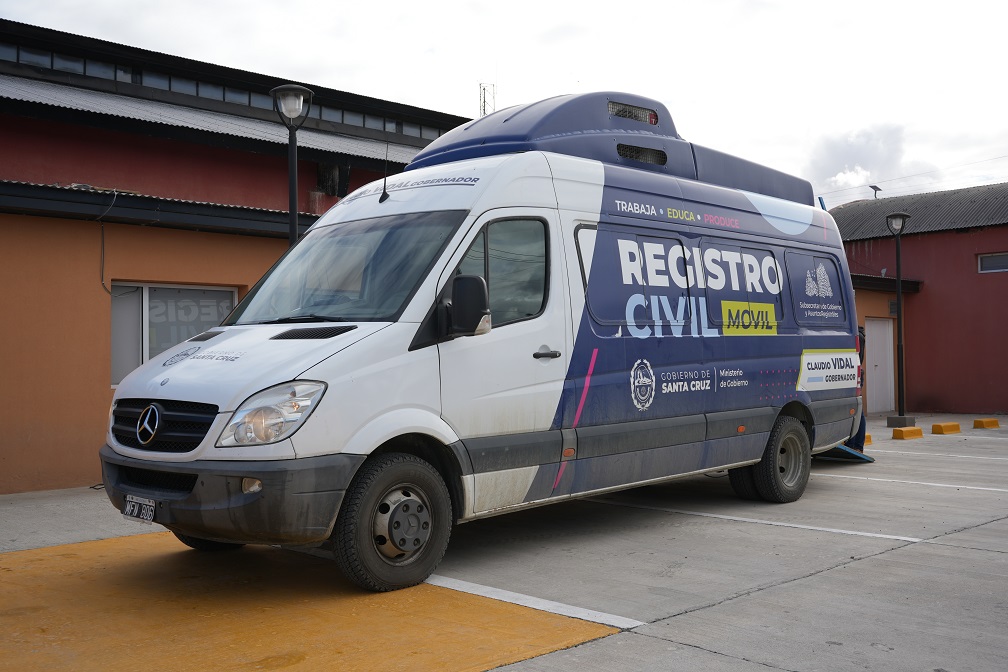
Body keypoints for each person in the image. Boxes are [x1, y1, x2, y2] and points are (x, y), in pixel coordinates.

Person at [847, 325, 867, 452]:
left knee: (858, 411)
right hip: (854, 374)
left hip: (855, 375)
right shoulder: (859, 335)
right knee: (855, 410)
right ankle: (853, 443)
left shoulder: (858, 337)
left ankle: (857, 445)